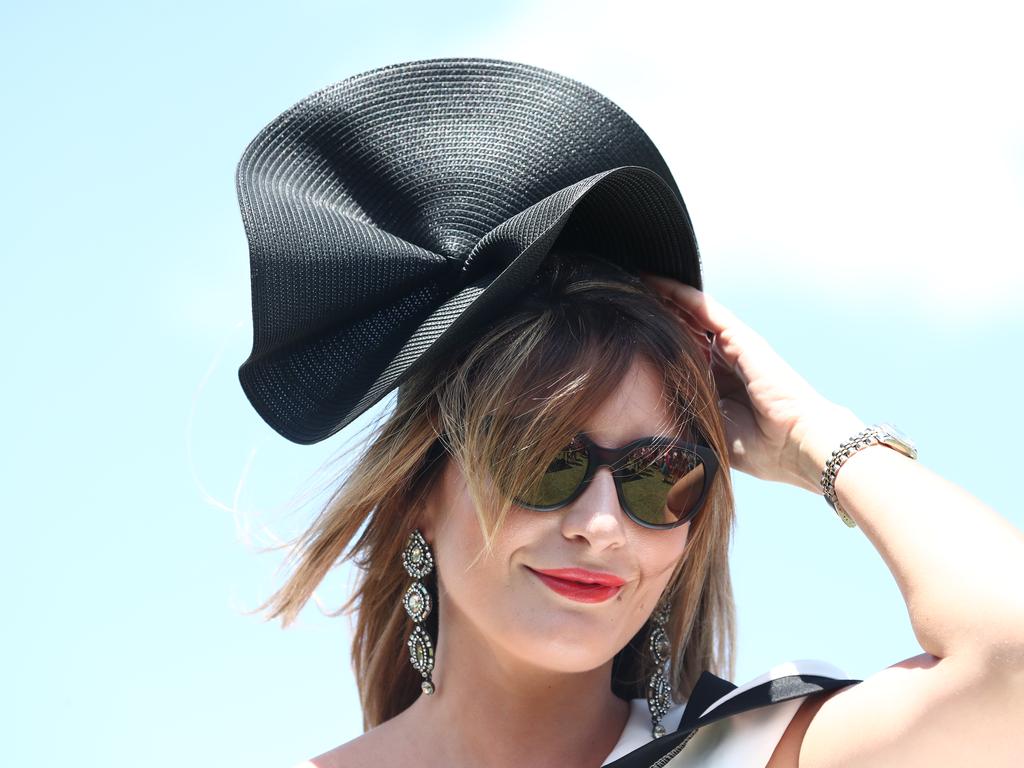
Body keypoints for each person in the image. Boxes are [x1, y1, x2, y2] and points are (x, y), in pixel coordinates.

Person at [232, 58, 1024, 767]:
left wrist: (819, 435)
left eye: (660, 479)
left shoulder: (738, 756)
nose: (603, 525)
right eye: (545, 462)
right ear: (418, 497)